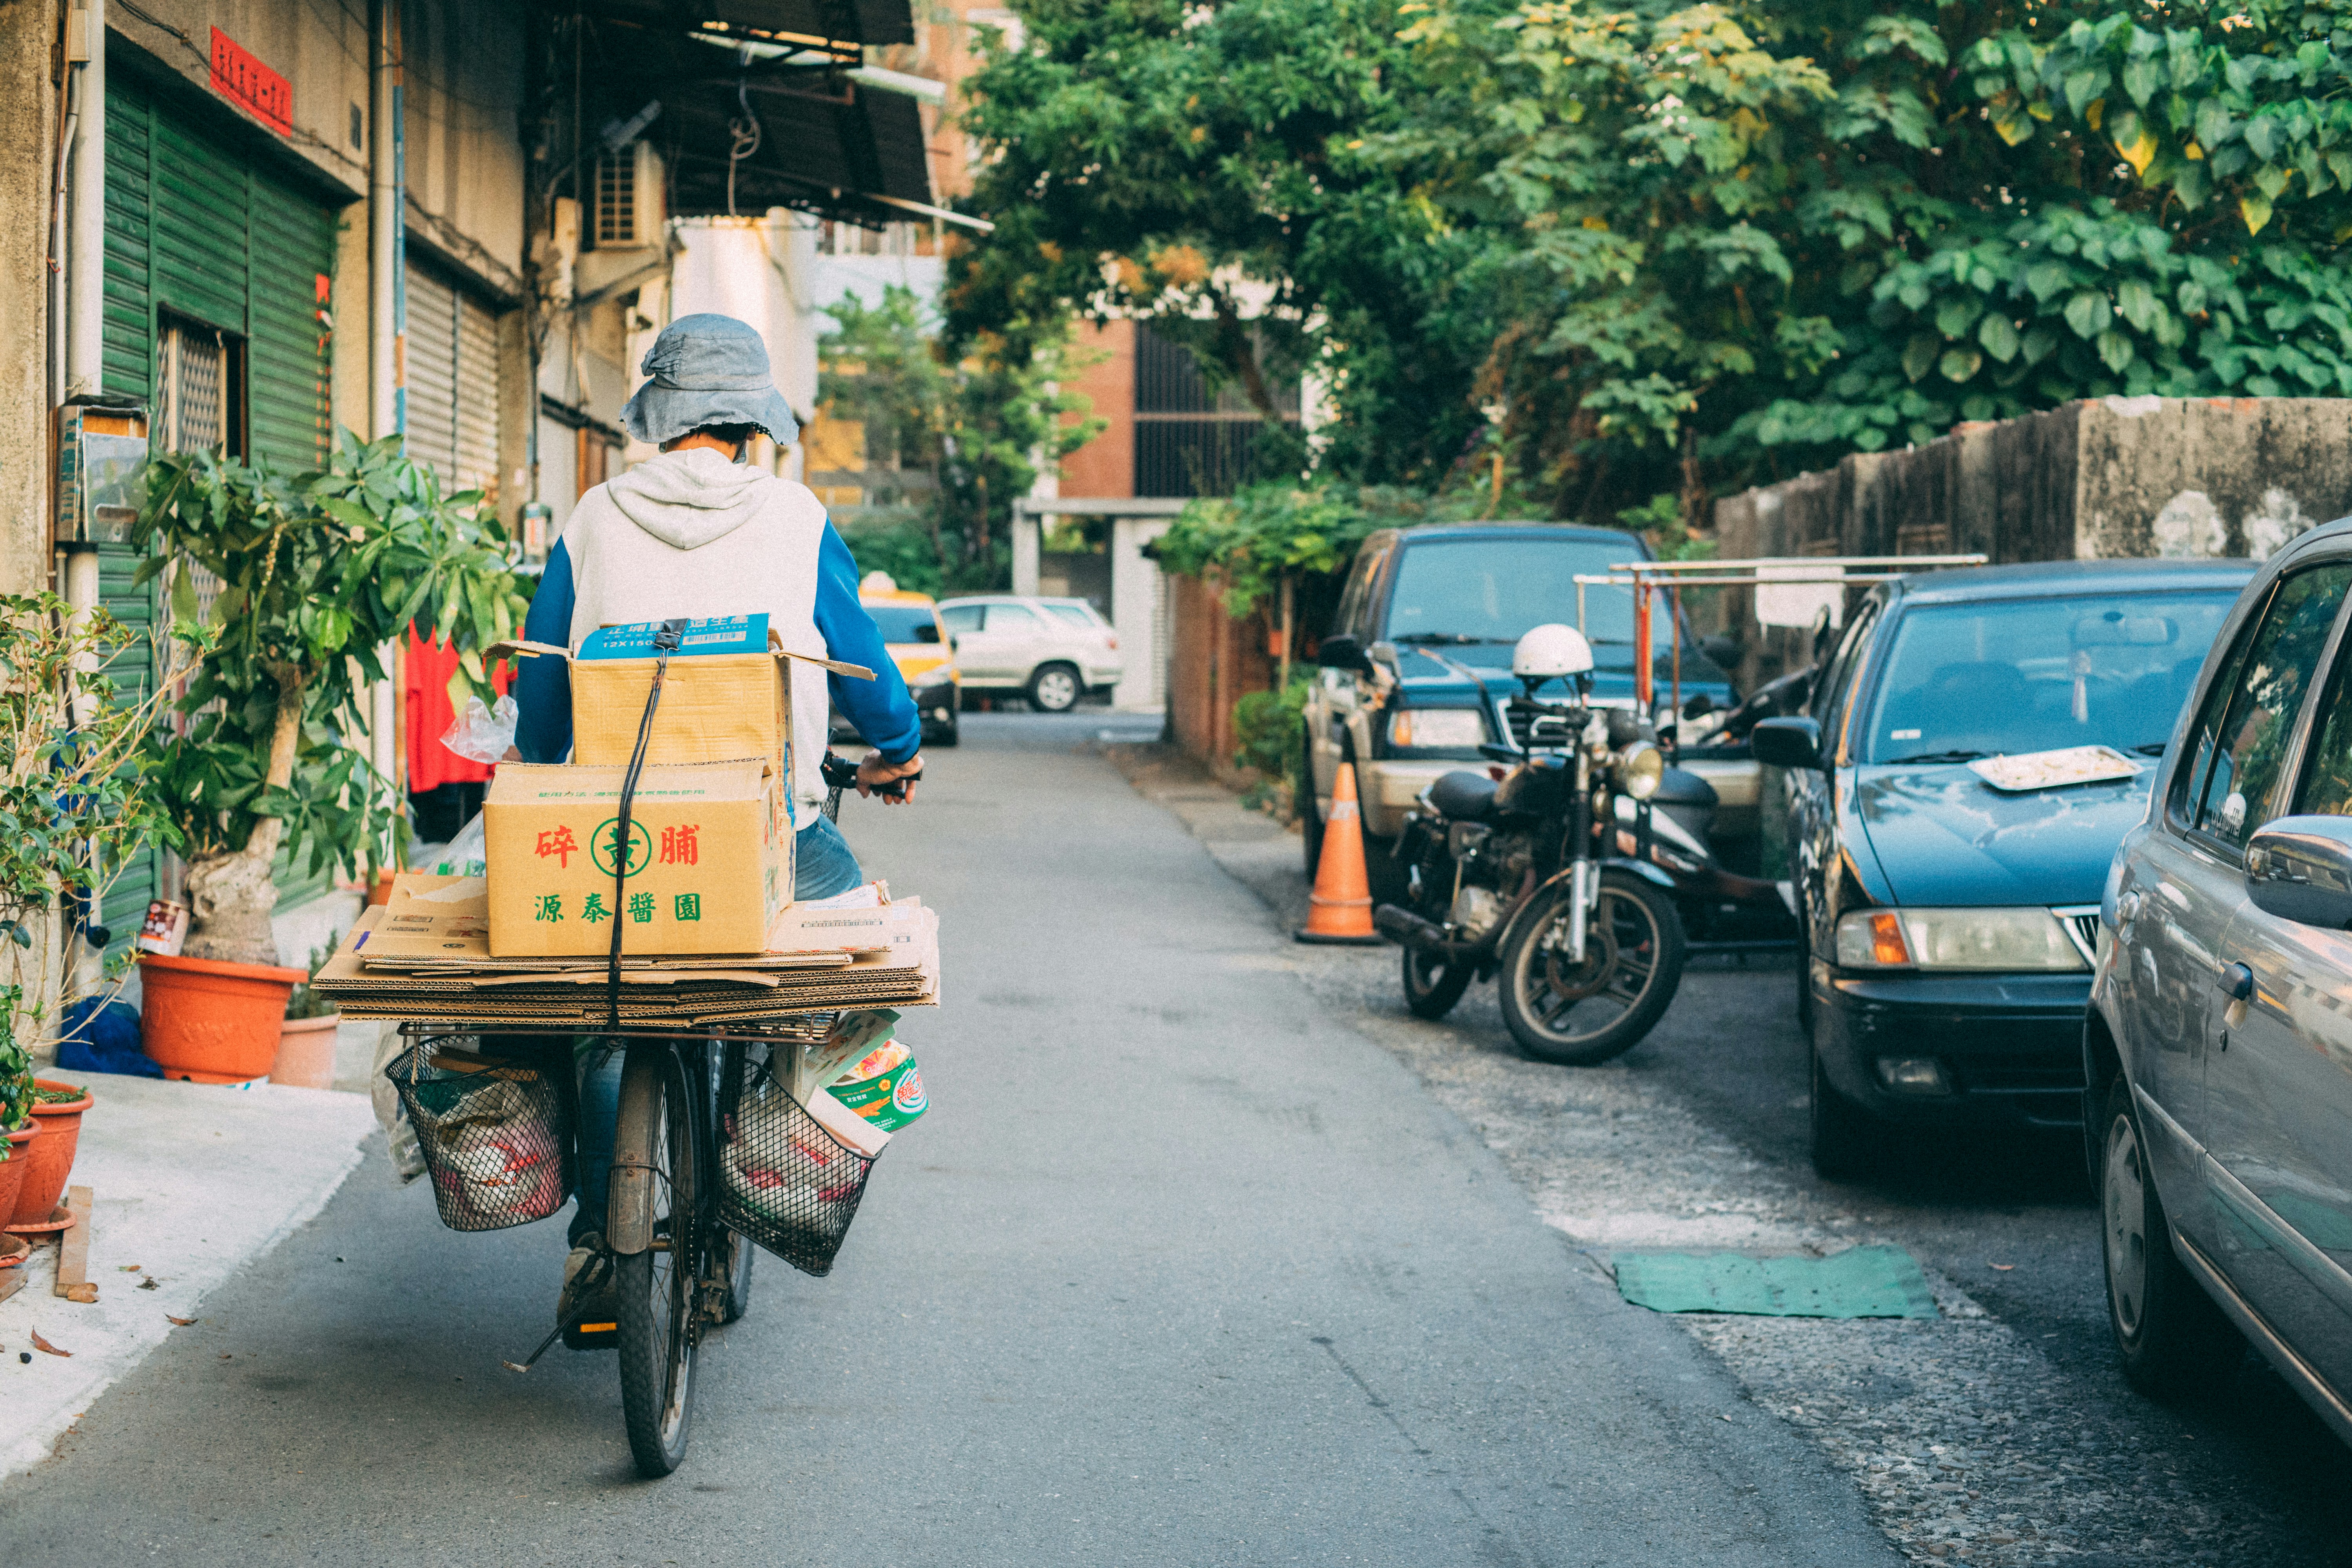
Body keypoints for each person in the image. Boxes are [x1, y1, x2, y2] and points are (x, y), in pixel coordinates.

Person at [511, 313, 924, 1326]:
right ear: (751, 427)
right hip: (775, 827)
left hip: (620, 837)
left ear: (659, 420)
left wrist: (546, 759)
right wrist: (900, 751)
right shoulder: (795, 517)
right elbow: (863, 664)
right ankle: (760, 1164)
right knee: (839, 977)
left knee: (605, 1017)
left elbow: (541, 695)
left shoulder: (592, 517)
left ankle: (598, 1243)